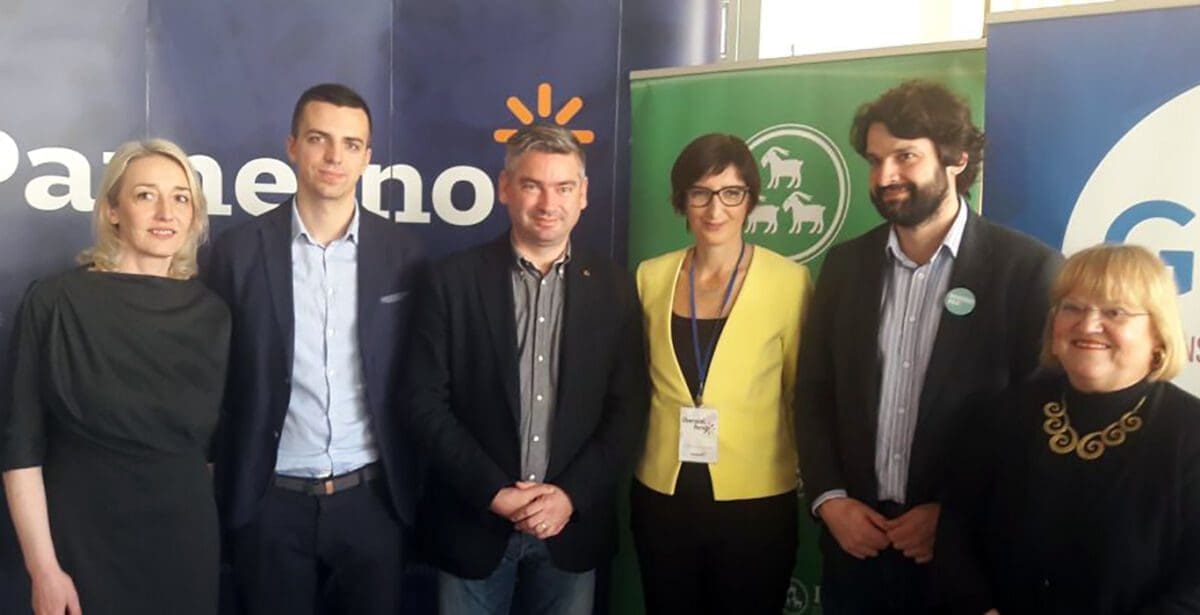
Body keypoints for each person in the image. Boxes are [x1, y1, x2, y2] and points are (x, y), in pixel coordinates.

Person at [794, 79, 1062, 613]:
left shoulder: (1027, 271)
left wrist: (954, 515)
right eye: (875, 161)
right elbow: (814, 392)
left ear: (957, 159)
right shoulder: (845, 266)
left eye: (905, 156)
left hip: (964, 558)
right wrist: (830, 500)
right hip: (856, 549)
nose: (885, 177)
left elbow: (1038, 422)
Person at [403, 123, 648, 615]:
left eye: (564, 187)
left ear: (584, 195)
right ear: (505, 188)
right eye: (532, 185)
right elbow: (422, 402)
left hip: (570, 528)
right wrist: (494, 493)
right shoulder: (452, 281)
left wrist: (569, 496)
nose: (548, 203)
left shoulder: (616, 288)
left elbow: (629, 408)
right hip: (473, 524)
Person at [203, 83, 424, 614]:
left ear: (367, 158)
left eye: (351, 144)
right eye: (319, 139)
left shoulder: (405, 253)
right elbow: (212, 377)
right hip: (269, 500)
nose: (334, 157)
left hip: (372, 500)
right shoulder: (237, 252)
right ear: (292, 146)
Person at [1, 139, 229, 615]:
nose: (166, 212)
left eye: (181, 198)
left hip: (184, 549)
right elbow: (20, 446)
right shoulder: (55, 302)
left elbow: (210, 454)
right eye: (146, 195)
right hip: (81, 549)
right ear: (112, 211)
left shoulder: (213, 315)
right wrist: (43, 570)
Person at [937, 244, 1200, 614]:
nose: (1088, 325)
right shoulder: (1003, 413)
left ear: (1158, 332)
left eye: (1115, 311)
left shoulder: (1190, 433)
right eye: (1072, 307)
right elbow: (956, 529)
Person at [630, 133, 809, 614]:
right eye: (701, 193)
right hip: (663, 495)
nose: (715, 210)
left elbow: (799, 393)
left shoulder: (789, 282)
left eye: (731, 193)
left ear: (750, 199)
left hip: (756, 502)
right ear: (682, 200)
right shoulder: (650, 277)